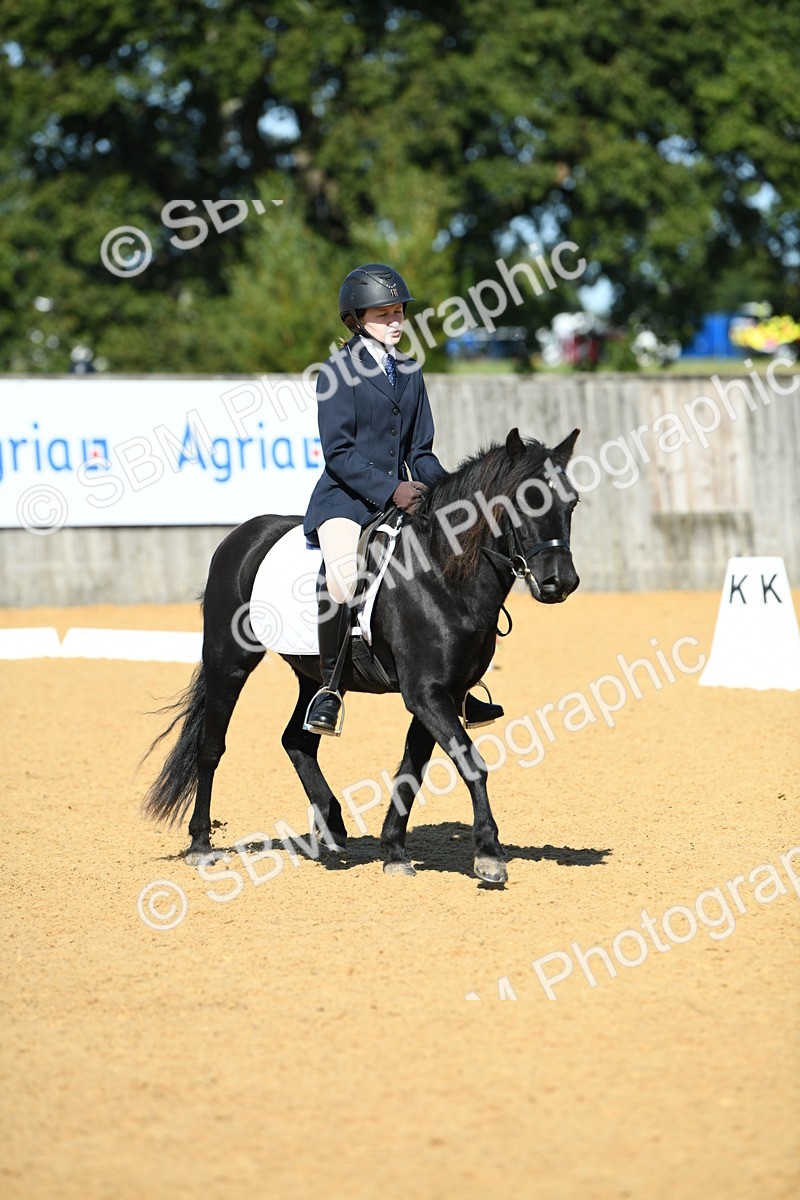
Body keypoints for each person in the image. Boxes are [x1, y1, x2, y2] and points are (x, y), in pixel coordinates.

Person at [302, 263, 503, 736]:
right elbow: (339, 454)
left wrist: (448, 492)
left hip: (405, 500)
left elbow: (420, 451)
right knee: (345, 578)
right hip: (346, 501)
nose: (395, 322)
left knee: (452, 561)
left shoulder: (410, 371)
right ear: (355, 319)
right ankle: (329, 689)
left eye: (398, 312)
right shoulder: (337, 373)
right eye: (383, 314)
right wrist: (392, 488)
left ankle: (460, 684)